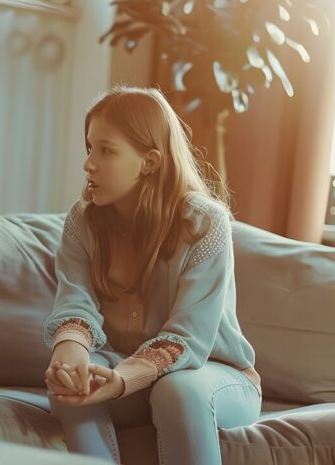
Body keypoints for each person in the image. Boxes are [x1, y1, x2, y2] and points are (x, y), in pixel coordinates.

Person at [44, 86, 260, 463]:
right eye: (89, 148)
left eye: (106, 150)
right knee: (70, 389)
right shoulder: (82, 221)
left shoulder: (206, 223)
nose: (89, 163)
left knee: (177, 391)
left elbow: (187, 338)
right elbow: (74, 301)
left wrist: (125, 378)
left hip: (216, 377)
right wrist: (70, 357)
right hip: (127, 378)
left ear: (150, 161)